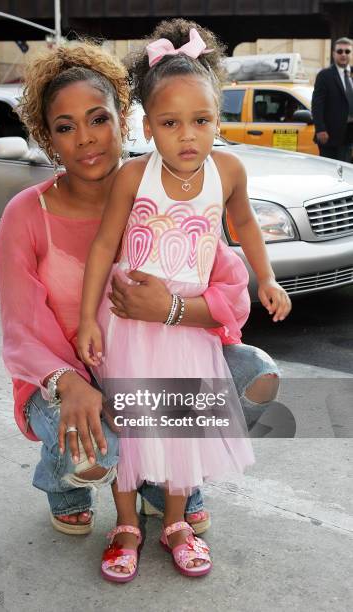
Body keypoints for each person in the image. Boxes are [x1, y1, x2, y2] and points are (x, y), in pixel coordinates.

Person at [77, 20, 291, 581]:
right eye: (171, 123)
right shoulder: (132, 176)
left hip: (189, 328)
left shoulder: (228, 170)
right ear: (149, 127)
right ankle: (125, 523)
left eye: (201, 121)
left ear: (217, 118)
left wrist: (266, 279)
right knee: (129, 422)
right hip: (130, 325)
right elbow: (103, 247)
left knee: (180, 425)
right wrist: (86, 321)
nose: (188, 135)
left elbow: (244, 224)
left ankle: (176, 521)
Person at [312, 37, 353, 162]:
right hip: (330, 135)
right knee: (331, 173)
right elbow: (317, 104)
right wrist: (320, 129)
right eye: (340, 51)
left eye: (347, 52)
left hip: (350, 135)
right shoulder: (325, 75)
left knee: (347, 173)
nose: (343, 55)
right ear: (333, 53)